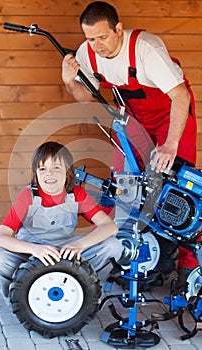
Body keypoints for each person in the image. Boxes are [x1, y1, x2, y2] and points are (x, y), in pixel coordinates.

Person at [61, 1, 198, 287]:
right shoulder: (88, 53)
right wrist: (69, 81)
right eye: (90, 39)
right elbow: (85, 97)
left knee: (181, 192)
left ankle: (189, 267)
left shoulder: (146, 49)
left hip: (170, 118)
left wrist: (170, 144)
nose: (96, 45)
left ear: (118, 29)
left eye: (102, 37)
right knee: (123, 186)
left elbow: (180, 97)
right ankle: (124, 255)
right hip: (133, 121)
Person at [0, 141, 123, 297]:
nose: (49, 174)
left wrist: (79, 245)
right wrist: (34, 249)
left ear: (67, 171)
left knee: (113, 245)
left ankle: (79, 282)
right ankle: (19, 296)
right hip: (30, 253)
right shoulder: (28, 196)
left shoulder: (77, 194)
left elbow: (110, 226)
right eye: (43, 169)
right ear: (36, 173)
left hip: (65, 251)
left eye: (56, 168)